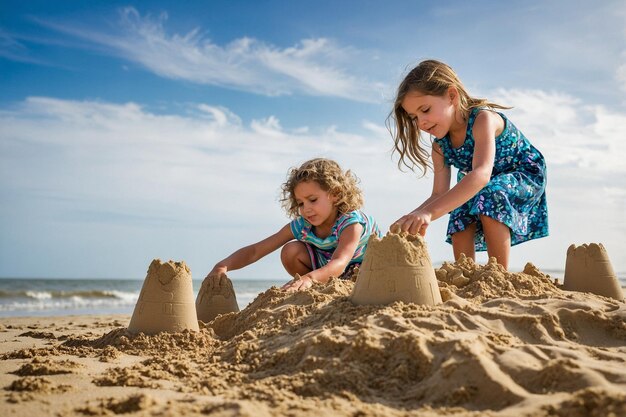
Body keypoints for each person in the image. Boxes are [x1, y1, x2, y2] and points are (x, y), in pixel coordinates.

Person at [387, 59, 548, 269]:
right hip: (480, 179)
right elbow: (439, 195)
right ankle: (466, 270)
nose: (421, 123)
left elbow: (481, 175)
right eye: (414, 118)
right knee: (458, 205)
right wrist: (412, 216)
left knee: (490, 191)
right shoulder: (440, 147)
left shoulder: (483, 120)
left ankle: (498, 272)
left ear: (452, 96)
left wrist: (428, 213)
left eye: (425, 110)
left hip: (522, 173)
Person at [196, 158, 381, 322]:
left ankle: (313, 282)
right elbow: (256, 250)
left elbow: (340, 261)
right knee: (290, 251)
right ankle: (316, 286)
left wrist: (309, 278)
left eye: (312, 200)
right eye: (301, 203)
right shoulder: (303, 225)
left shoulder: (351, 222)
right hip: (329, 267)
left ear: (336, 194)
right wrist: (223, 265)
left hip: (365, 268)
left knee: (339, 266)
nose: (306, 209)